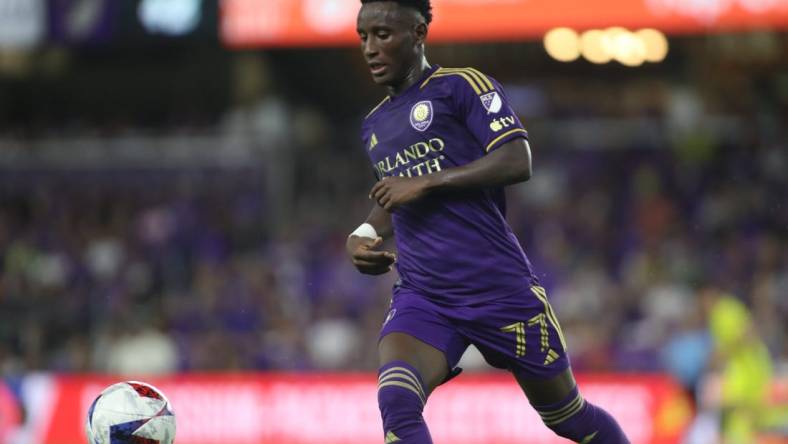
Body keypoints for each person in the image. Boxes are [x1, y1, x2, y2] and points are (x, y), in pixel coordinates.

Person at [346, 1, 630, 442]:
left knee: (568, 418)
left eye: (383, 34)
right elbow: (392, 195)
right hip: (425, 294)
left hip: (499, 290)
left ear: (418, 33)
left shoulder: (460, 86)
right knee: (397, 402)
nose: (369, 48)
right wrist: (362, 234)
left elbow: (518, 159)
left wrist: (427, 183)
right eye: (364, 37)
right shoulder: (374, 125)